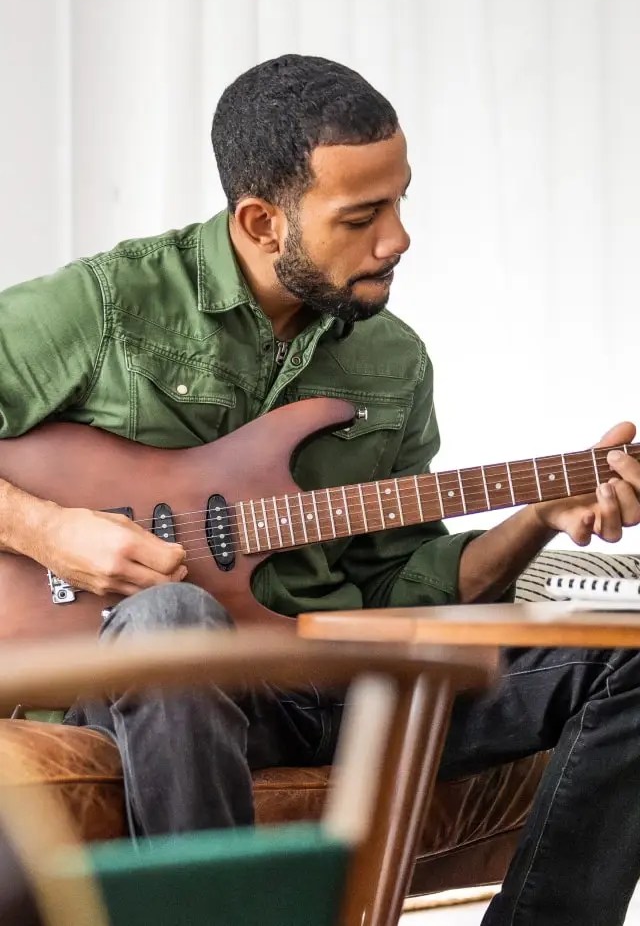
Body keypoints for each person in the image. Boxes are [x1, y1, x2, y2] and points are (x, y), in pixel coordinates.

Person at [1, 54, 639, 925]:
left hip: (341, 680)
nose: (397, 238)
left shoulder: (391, 359)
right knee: (171, 616)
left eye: (401, 202)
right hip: (169, 687)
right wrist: (46, 531)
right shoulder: (111, 305)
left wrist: (534, 516)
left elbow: (401, 587)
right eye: (362, 216)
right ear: (262, 222)